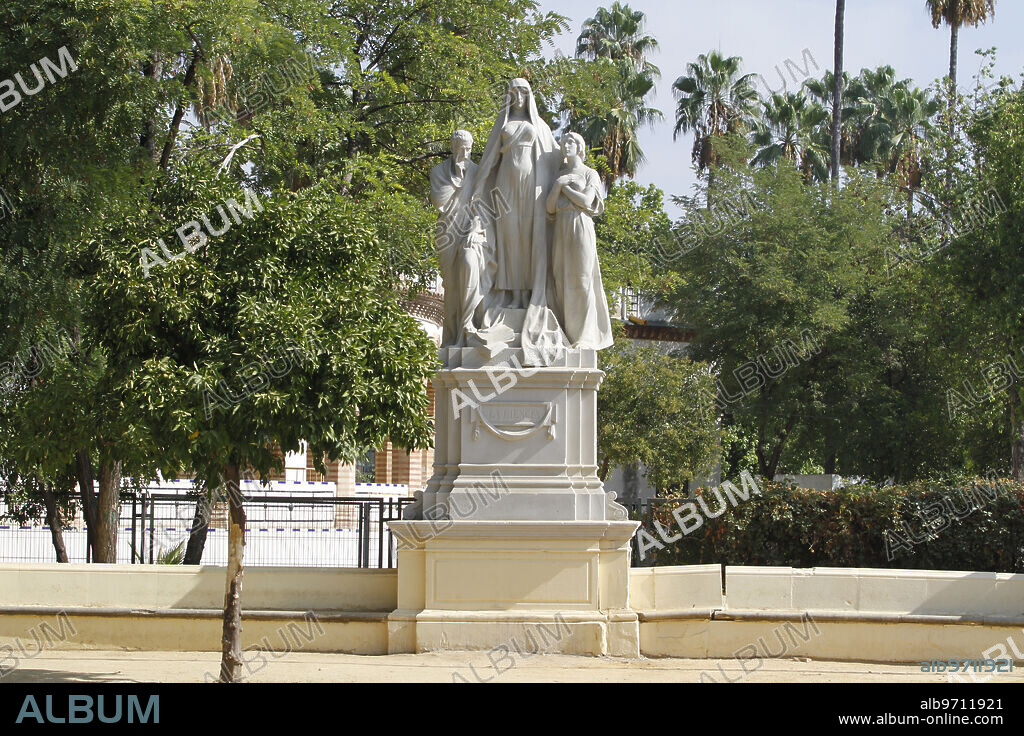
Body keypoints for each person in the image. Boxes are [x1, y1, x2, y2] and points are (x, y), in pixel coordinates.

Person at [546, 132, 613, 351]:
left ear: (580, 147)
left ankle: (586, 336)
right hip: (561, 226)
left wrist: (564, 187)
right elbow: (549, 207)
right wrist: (559, 184)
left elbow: (586, 201)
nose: (566, 145)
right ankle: (567, 333)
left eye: (571, 142)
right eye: (563, 142)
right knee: (561, 279)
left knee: (582, 279)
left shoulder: (589, 173)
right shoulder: (558, 175)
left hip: (580, 225)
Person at [429, 130, 492, 347]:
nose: (464, 153)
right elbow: (439, 200)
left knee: (470, 267)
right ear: (452, 147)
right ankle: (451, 338)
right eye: (460, 148)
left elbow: (484, 206)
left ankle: (470, 325)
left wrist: (475, 229)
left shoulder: (478, 172)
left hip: (471, 230)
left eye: (468, 149)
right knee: (451, 284)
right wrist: (457, 176)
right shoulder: (439, 171)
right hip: (447, 231)